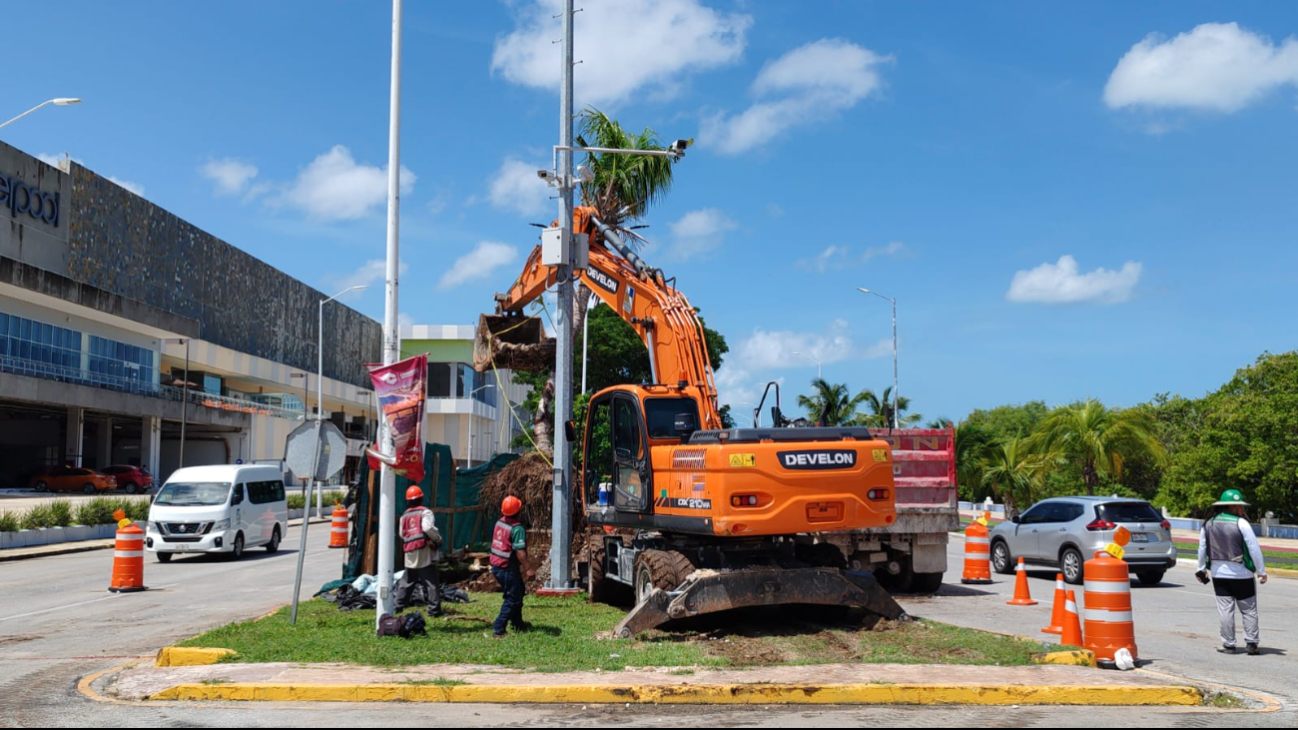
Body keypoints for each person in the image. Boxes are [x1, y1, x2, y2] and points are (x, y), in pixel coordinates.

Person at [1196, 489, 1268, 655]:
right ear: (1233, 506)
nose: (1241, 509)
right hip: (1242, 574)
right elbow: (1254, 548)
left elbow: (1202, 548)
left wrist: (1201, 569)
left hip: (1219, 574)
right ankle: (1251, 643)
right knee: (1249, 609)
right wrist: (1261, 570)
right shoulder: (1241, 523)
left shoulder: (1208, 523)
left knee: (1225, 610)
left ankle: (1229, 644)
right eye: (1239, 506)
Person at [489, 495, 535, 638]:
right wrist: (529, 568)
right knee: (513, 597)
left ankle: (517, 623)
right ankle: (499, 628)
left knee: (518, 591)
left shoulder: (499, 523)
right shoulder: (517, 528)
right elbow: (520, 552)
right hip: (507, 568)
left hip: (496, 566)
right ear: (519, 511)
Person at [396, 485, 442, 615]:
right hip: (423, 550)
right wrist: (437, 539)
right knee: (430, 580)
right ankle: (434, 610)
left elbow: (401, 534)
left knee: (407, 580)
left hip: (410, 551)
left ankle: (397, 606)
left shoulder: (404, 516)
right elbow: (427, 528)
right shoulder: (425, 512)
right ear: (421, 498)